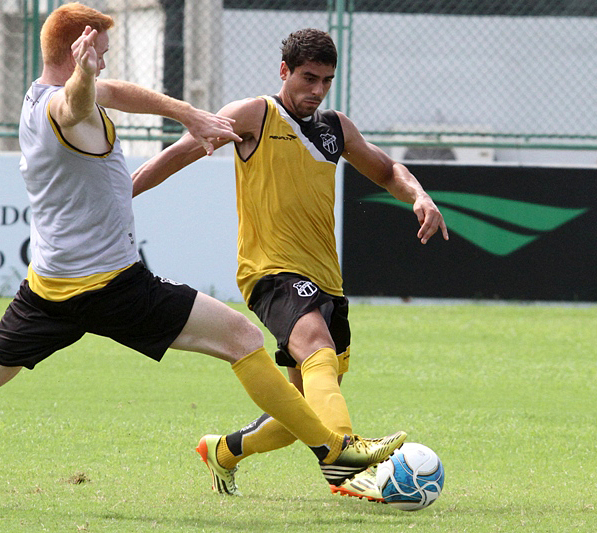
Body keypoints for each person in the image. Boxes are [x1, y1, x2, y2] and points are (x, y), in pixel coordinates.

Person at [0, 7, 406, 507]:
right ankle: (333, 453)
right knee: (244, 341)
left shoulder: (34, 96)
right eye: (101, 48)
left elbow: (108, 93)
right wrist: (87, 75)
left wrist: (185, 113)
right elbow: (79, 102)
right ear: (77, 52)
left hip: (47, 289)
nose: (106, 59)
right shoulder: (65, 106)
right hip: (113, 286)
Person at [132, 28, 448, 501]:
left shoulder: (335, 128)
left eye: (326, 80)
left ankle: (224, 450)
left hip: (327, 278)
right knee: (316, 348)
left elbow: (385, 170)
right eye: (307, 77)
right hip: (269, 270)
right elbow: (177, 156)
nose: (316, 90)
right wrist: (116, 197)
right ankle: (346, 459)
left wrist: (418, 194)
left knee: (301, 408)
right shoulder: (253, 115)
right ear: (284, 71)